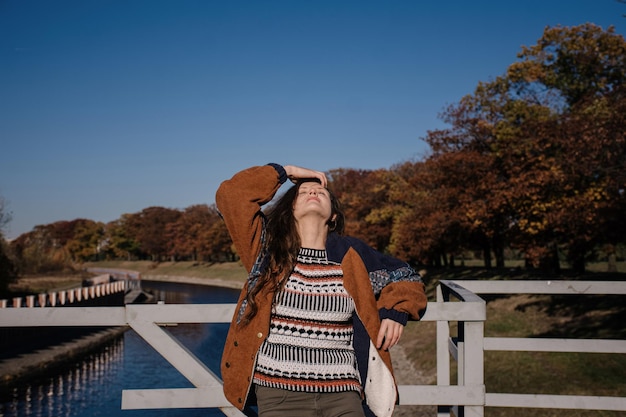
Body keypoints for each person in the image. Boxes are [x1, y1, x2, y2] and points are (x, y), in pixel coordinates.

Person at [216, 163, 427, 417]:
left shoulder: (352, 253)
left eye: (321, 193)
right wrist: (287, 172)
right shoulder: (267, 249)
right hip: (279, 394)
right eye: (303, 192)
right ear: (291, 208)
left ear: (334, 216)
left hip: (343, 394)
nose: (312, 193)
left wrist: (396, 311)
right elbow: (231, 195)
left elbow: (406, 276)